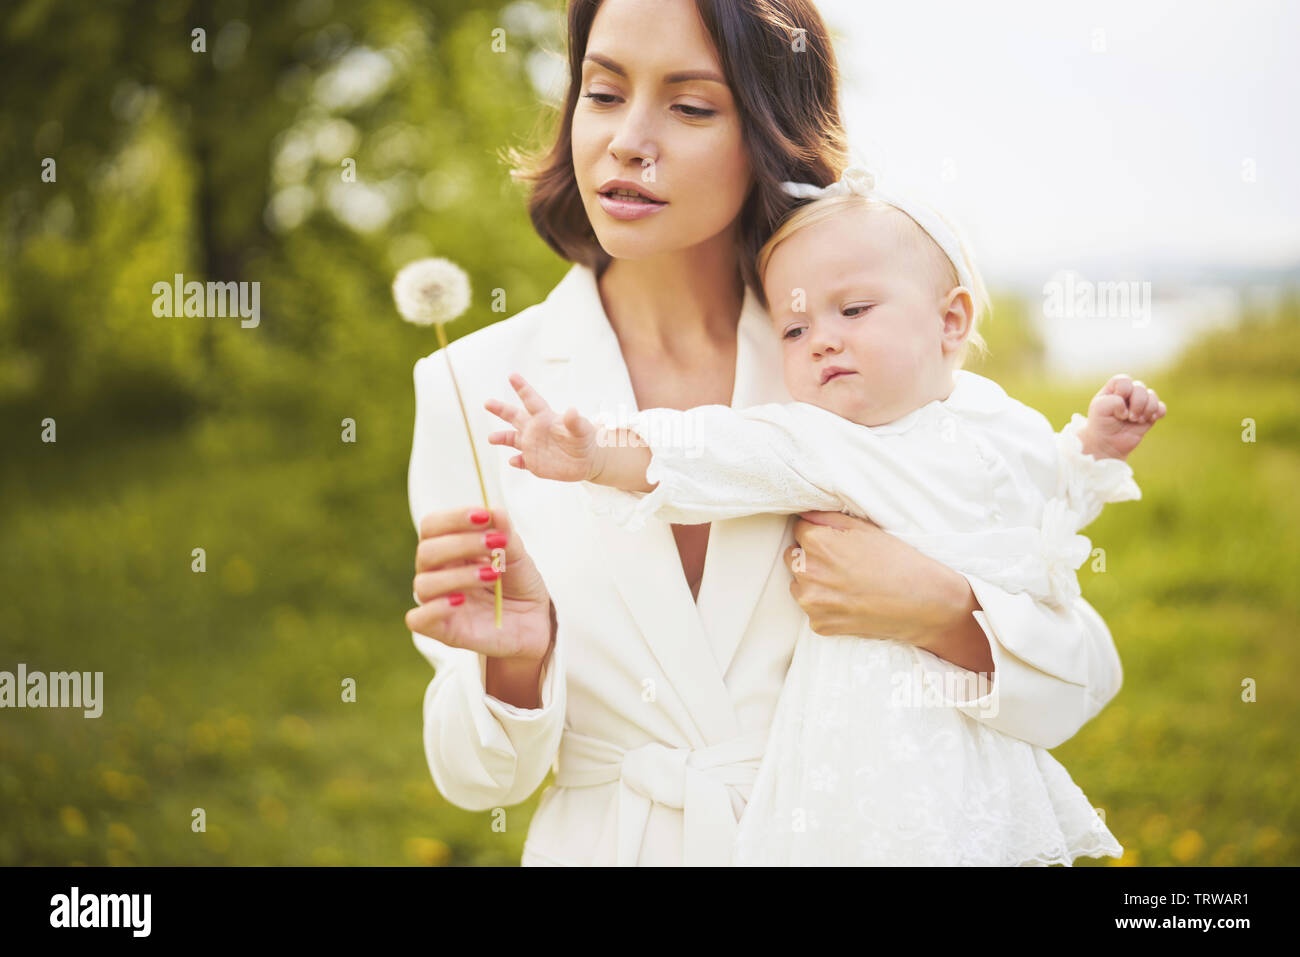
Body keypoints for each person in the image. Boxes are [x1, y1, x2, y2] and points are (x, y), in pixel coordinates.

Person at [406, 0, 1123, 866]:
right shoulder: (472, 383)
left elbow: (1081, 679)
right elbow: (477, 780)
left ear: (769, 132)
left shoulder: (858, 361)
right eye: (602, 93)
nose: (630, 139)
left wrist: (942, 611)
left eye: (691, 105)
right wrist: (514, 665)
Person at [483, 166, 1167, 865]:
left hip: (984, 742)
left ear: (951, 319)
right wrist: (598, 451)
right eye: (795, 326)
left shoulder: (997, 417)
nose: (821, 341)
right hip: (864, 732)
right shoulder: (822, 439)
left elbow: (1045, 498)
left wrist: (1092, 446)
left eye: (854, 311)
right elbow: (714, 451)